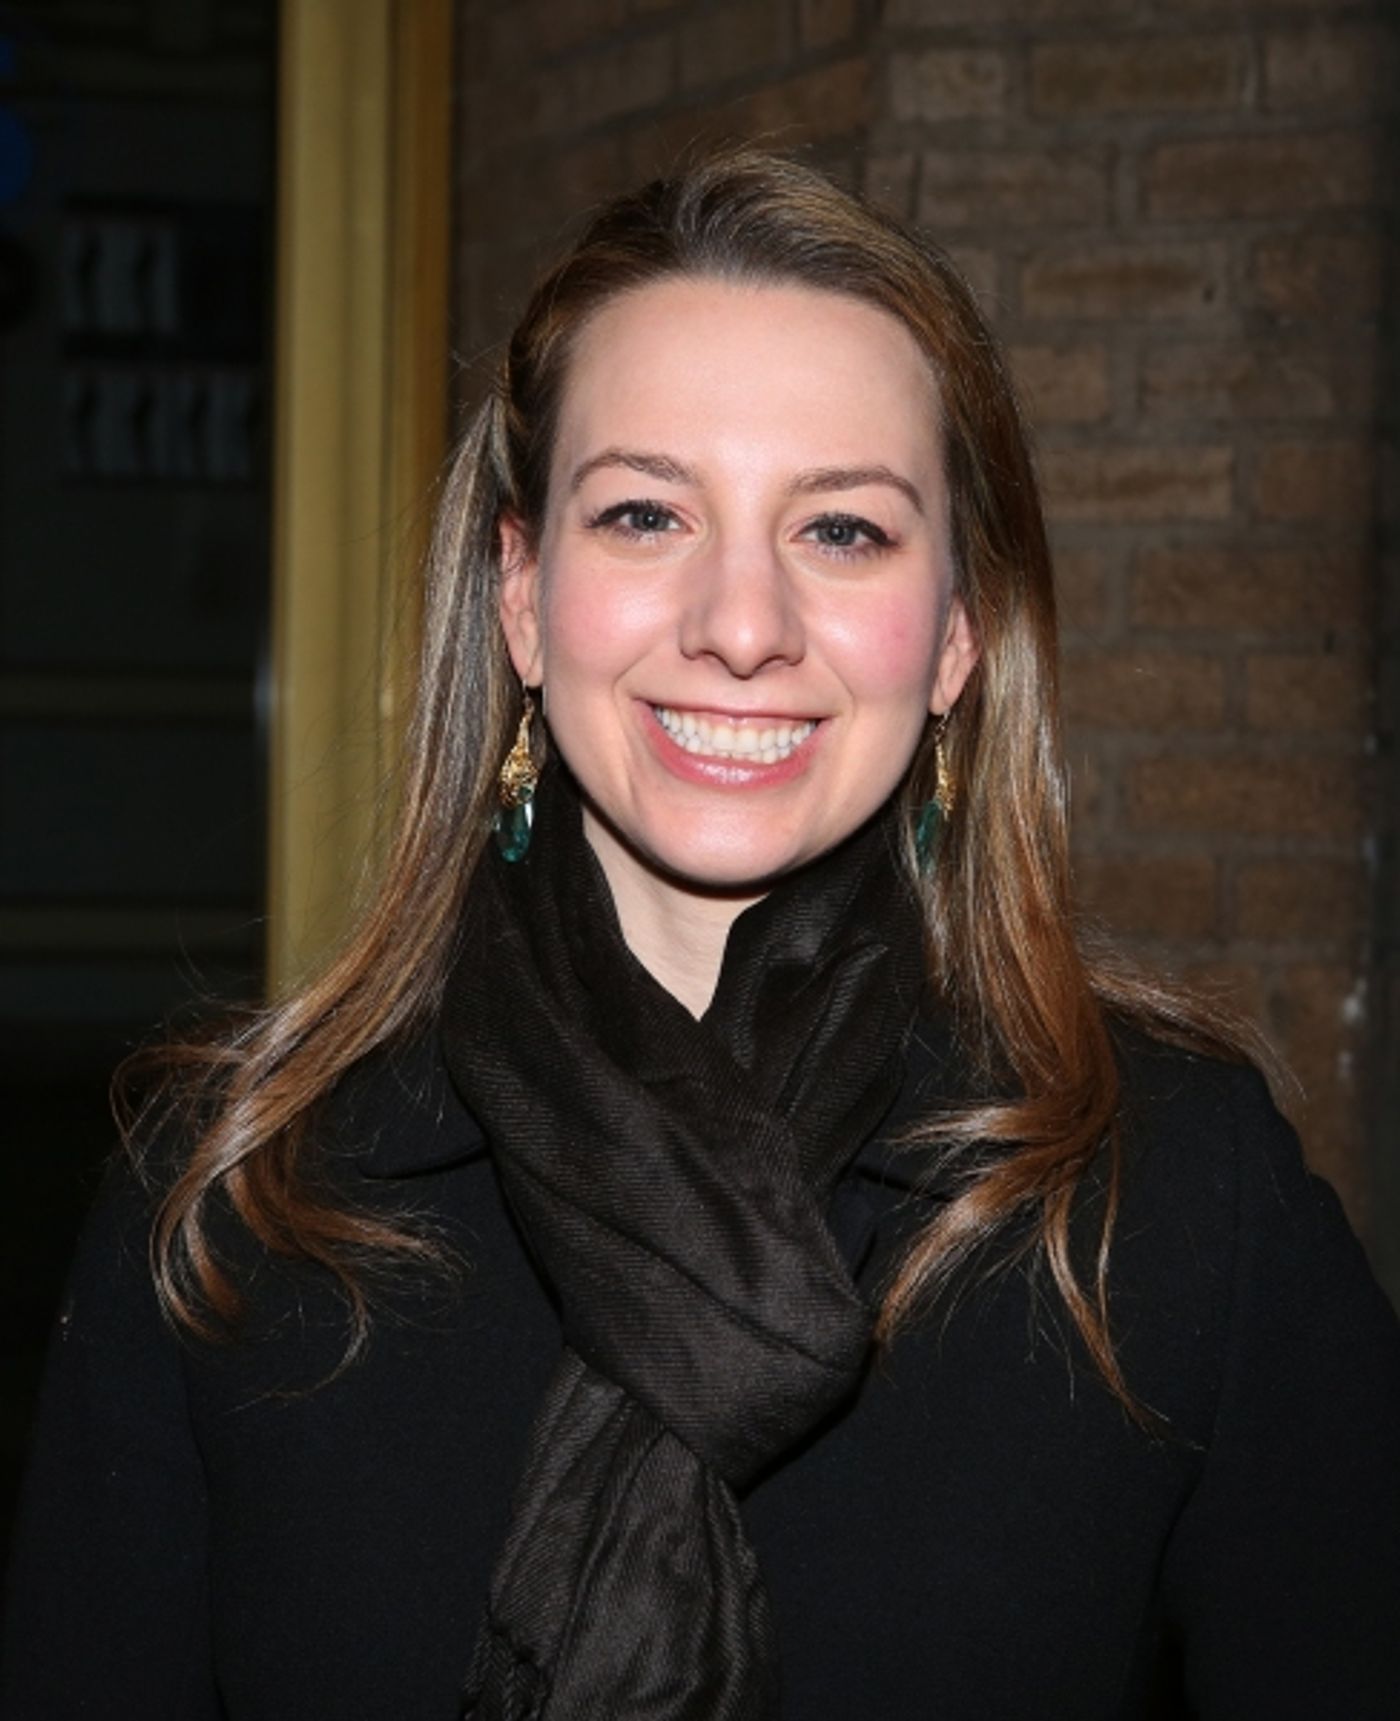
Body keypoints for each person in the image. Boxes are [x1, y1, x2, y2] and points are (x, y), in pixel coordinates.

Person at [3, 147, 1399, 1721]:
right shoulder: (234, 1200)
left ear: (958, 632)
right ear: (523, 594)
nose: (742, 624)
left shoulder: (1174, 1209)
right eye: (649, 512)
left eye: (844, 532)